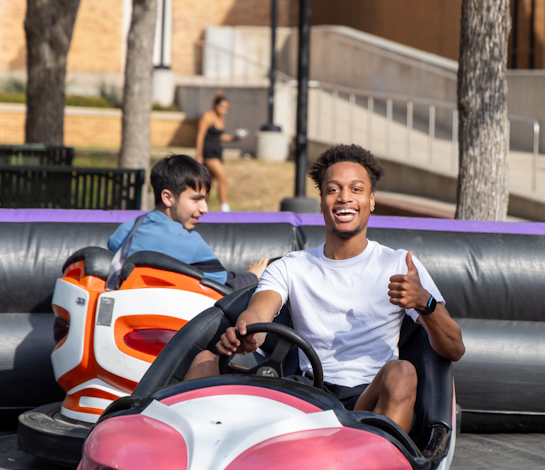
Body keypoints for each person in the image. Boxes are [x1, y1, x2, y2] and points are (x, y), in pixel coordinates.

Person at [186, 144, 465, 433]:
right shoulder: (292, 266)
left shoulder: (399, 264)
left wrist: (424, 303)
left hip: (366, 399)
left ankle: (377, 464)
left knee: (402, 371)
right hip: (308, 395)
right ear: (321, 202)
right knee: (205, 360)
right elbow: (258, 311)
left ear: (371, 201)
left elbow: (454, 348)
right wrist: (246, 334)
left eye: (356, 189)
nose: (345, 197)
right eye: (333, 190)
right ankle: (201, 458)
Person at [108, 154, 268, 290]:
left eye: (205, 199)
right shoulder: (193, 245)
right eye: (196, 199)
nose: (204, 208)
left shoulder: (125, 231)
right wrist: (253, 276)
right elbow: (228, 286)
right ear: (168, 198)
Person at [196, 91, 243, 212]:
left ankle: (202, 207)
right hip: (209, 154)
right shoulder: (208, 116)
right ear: (216, 105)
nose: (224, 110)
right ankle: (224, 206)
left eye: (226, 108)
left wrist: (234, 138)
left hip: (217, 153)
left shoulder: (221, 118)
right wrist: (199, 155)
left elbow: (220, 136)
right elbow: (200, 136)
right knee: (223, 177)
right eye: (222, 107)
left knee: (208, 184)